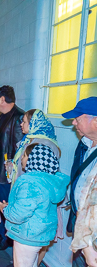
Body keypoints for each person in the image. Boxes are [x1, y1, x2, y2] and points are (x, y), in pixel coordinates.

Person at [0, 144, 69, 267]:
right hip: (39, 235)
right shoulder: (48, 181)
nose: (21, 158)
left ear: (32, 159)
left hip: (26, 235)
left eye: (24, 155)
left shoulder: (30, 182)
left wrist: (5, 209)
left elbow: (18, 214)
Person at [61, 97, 97, 267]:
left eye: (78, 118)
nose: (74, 123)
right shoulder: (83, 144)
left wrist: (90, 245)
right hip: (79, 224)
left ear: (95, 121)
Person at [0, 85, 25, 250]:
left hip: (7, 171)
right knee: (0, 202)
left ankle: (6, 238)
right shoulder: (3, 115)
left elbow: (18, 149)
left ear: (2, 99)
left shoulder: (18, 117)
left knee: (6, 202)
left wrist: (10, 169)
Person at [10, 109, 60, 185]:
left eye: (24, 122)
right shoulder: (27, 140)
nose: (21, 124)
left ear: (33, 124)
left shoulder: (43, 144)